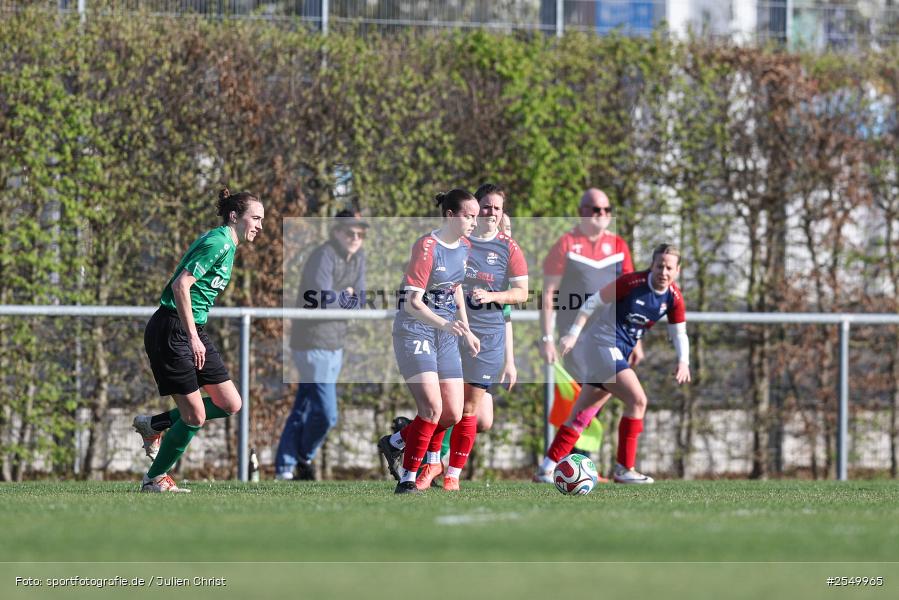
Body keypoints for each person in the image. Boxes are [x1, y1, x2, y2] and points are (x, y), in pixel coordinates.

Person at [132, 188, 264, 492]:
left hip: (192, 329)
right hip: (172, 329)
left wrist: (195, 333)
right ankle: (154, 479)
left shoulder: (227, 245)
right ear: (235, 217)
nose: (259, 225)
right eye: (255, 218)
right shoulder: (218, 241)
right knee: (195, 417)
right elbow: (181, 286)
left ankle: (155, 425)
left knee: (230, 403)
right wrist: (192, 336)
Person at [535, 243, 691, 484]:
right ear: (652, 265)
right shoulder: (632, 283)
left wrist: (684, 362)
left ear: (678, 271)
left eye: (669, 267)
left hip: (618, 351)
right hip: (601, 345)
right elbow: (591, 304)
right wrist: (574, 334)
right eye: (659, 265)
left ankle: (547, 467)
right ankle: (624, 468)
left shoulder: (673, 297)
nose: (663, 272)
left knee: (582, 415)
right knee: (638, 400)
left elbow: (679, 333)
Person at [413, 184, 528, 491]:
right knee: (443, 405)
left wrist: (493, 296)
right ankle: (430, 458)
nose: (490, 213)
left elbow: (521, 295)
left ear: (503, 213)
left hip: (488, 337)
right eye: (485, 207)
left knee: (470, 411)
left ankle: (452, 475)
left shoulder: (509, 247)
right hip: (450, 330)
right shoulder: (457, 239)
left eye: (496, 208)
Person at [377, 189, 481, 494]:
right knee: (432, 408)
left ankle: (396, 442)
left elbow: (456, 287)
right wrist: (445, 324)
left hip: (445, 333)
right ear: (450, 216)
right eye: (469, 216)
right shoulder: (427, 247)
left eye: (476, 216)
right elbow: (412, 302)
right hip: (416, 330)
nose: (474, 222)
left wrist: (467, 328)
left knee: (452, 413)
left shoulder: (464, 246)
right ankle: (408, 478)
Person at [536, 187, 639, 474]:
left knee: (595, 399)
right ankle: (571, 466)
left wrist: (637, 341)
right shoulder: (566, 244)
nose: (603, 215)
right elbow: (548, 294)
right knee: (584, 395)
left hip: (613, 336)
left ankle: (563, 465)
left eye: (607, 210)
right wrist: (547, 337)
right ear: (582, 212)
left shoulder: (618, 245)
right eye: (596, 209)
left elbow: (628, 294)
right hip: (576, 336)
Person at [275, 210, 368, 481]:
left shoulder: (358, 257)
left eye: (360, 234)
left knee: (304, 405)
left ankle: (285, 466)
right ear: (336, 232)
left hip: (336, 343)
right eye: (349, 232)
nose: (355, 238)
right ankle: (303, 456)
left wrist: (345, 297)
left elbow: (360, 299)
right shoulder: (323, 255)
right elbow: (319, 298)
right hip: (311, 343)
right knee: (328, 415)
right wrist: (345, 297)